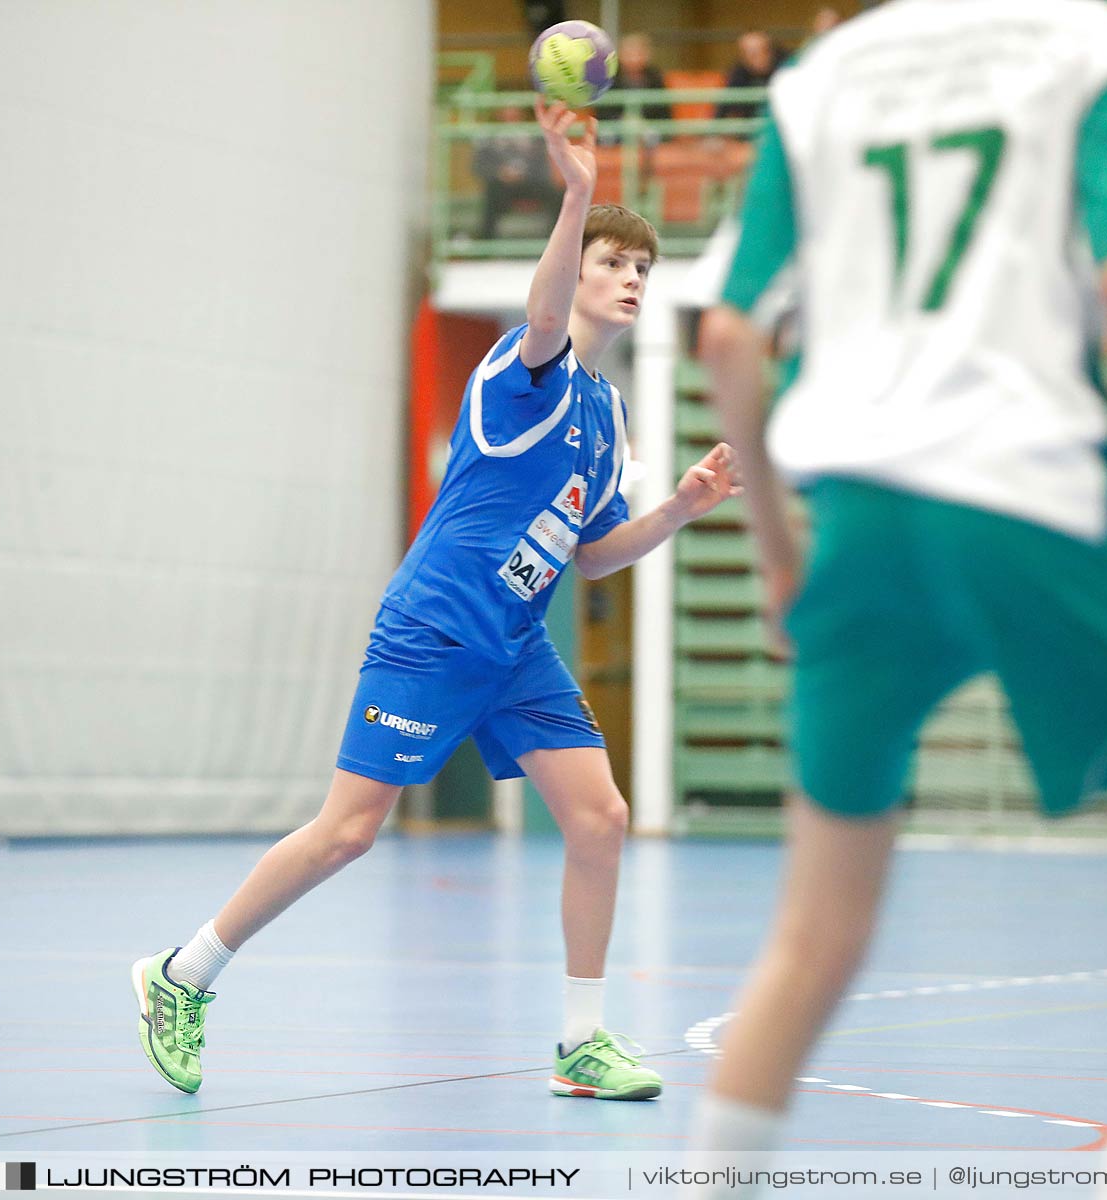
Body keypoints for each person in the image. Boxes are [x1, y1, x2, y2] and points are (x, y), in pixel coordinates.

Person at [690, 3, 1107, 1197]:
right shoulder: (1096, 42)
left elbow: (727, 336)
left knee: (812, 940)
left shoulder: (819, 75)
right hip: (1030, 501)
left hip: (859, 521)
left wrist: (777, 551)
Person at [132, 97, 743, 1101]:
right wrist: (578, 190)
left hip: (514, 642)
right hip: (433, 625)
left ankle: (581, 1044)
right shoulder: (523, 368)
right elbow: (546, 313)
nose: (631, 280)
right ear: (574, 270)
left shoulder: (606, 412)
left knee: (599, 820)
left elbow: (589, 560)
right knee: (349, 831)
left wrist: (680, 505)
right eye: (612, 263)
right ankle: (182, 973)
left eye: (643, 270)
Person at [473, 105, 563, 240]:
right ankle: (486, 243)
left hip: (530, 183)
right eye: (507, 109)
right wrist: (499, 173)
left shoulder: (535, 136)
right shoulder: (489, 138)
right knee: (491, 193)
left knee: (559, 194)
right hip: (502, 186)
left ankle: (556, 242)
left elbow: (542, 166)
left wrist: (526, 174)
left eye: (514, 109)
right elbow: (479, 167)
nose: (511, 113)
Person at [595, 32, 671, 128]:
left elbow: (664, 113)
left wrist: (644, 124)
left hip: (648, 129)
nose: (634, 59)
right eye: (629, 54)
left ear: (647, 55)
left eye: (638, 53)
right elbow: (602, 112)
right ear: (621, 54)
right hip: (615, 129)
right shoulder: (610, 77)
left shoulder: (655, 77)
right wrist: (622, 121)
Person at [716, 30, 781, 121]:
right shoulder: (738, 73)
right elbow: (722, 112)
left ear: (771, 50)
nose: (756, 57)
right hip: (749, 131)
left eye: (762, 50)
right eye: (749, 53)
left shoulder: (787, 70)